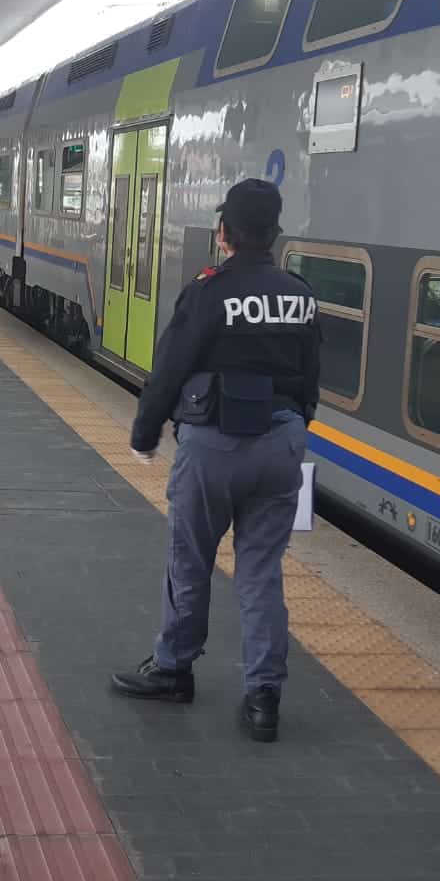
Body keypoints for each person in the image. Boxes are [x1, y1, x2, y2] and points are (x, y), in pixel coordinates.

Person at [111, 178, 320, 743]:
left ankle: (175, 669)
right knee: (260, 572)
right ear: (276, 234)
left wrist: (144, 434)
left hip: (215, 446)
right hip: (283, 445)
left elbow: (170, 368)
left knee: (190, 560)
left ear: (223, 232)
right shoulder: (300, 293)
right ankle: (263, 697)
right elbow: (311, 380)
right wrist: (293, 431)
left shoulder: (208, 290)